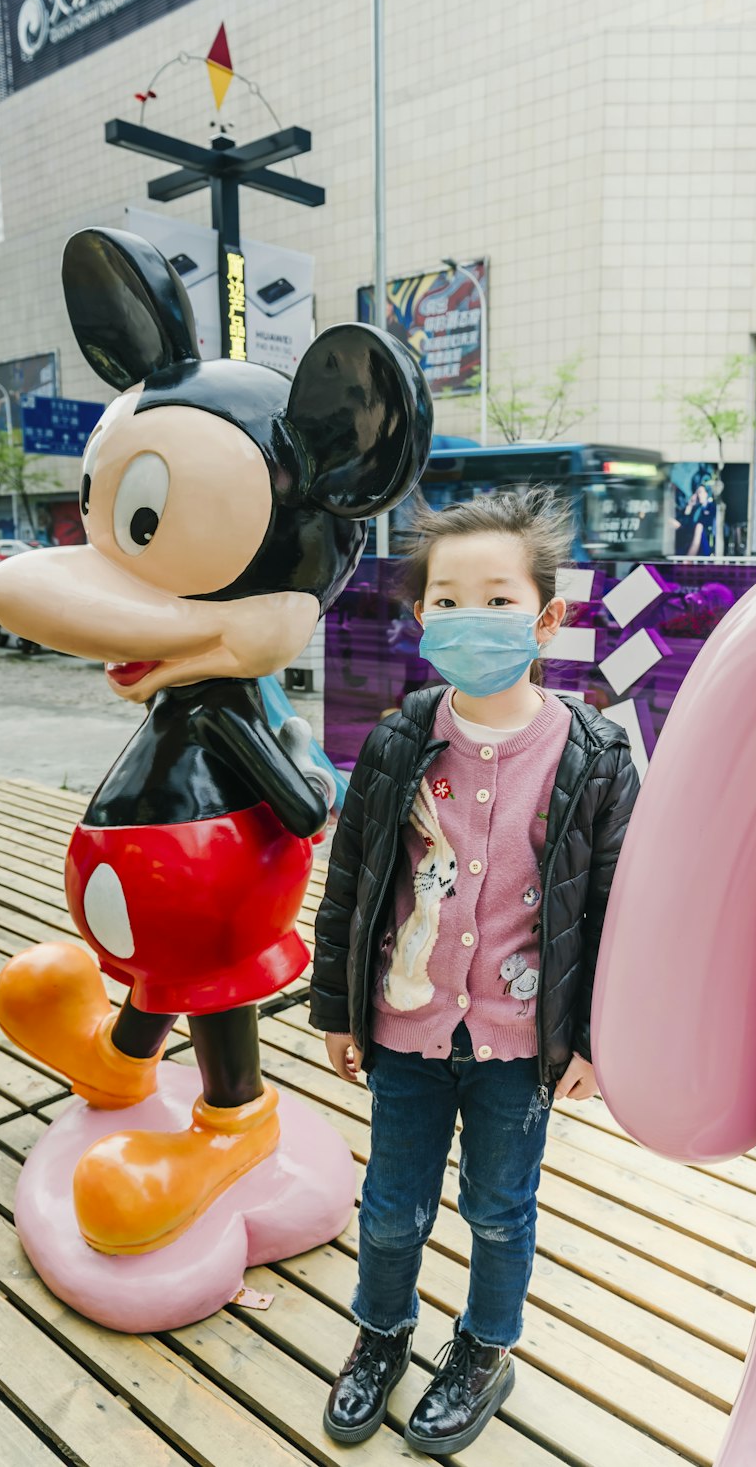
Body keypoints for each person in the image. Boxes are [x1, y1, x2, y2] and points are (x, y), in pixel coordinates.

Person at [310, 488, 639, 1455]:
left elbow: (616, 912)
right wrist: (339, 1007)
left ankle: (485, 1348)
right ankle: (381, 1332)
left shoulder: (595, 754)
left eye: (496, 599)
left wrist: (593, 1040)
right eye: (446, 599)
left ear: (546, 616)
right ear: (420, 618)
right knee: (392, 1204)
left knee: (500, 1211)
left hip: (518, 1045)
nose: (468, 618)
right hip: (406, 1028)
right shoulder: (400, 737)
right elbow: (355, 884)